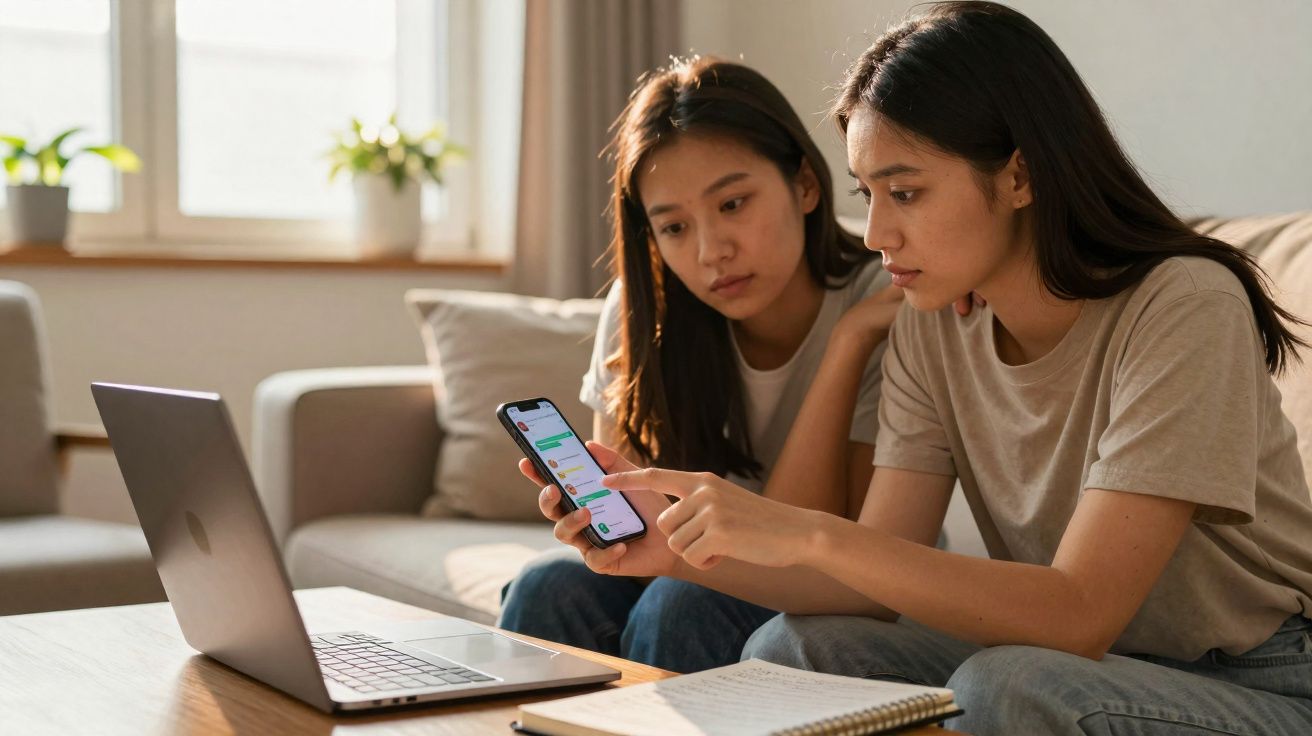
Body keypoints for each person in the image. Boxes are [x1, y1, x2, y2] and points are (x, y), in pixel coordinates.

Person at [525, 3, 1312, 733]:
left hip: (1258, 676)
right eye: (868, 193)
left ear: (1020, 174)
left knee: (1006, 685)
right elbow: (861, 591)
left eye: (904, 192)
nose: (873, 234)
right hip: (1090, 664)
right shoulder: (936, 325)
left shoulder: (1183, 305)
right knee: (795, 649)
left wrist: (801, 531)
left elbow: (1079, 613)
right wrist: (681, 553)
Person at [497, 57, 934, 673]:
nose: (711, 252)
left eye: (732, 204)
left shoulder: (883, 300)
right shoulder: (644, 310)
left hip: (828, 586)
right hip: (686, 568)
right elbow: (628, 526)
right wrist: (599, 528)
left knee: (685, 601)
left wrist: (846, 346)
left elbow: (814, 550)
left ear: (805, 184)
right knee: (549, 584)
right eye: (673, 226)